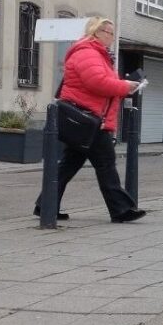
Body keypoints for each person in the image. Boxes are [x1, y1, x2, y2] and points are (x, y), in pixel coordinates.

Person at [34, 17, 146, 223]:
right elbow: (97, 82)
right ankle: (121, 210)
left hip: (90, 119)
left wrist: (123, 85)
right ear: (97, 32)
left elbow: (103, 83)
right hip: (88, 120)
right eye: (109, 33)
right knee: (106, 164)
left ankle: (45, 205)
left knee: (68, 165)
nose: (112, 37)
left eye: (113, 33)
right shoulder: (87, 52)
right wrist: (124, 86)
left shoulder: (98, 54)